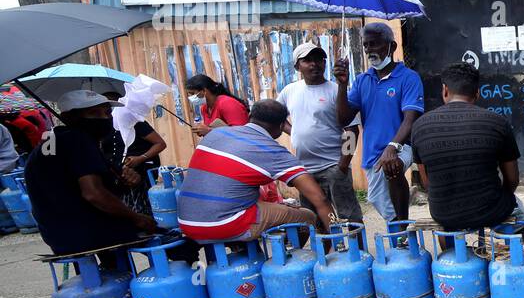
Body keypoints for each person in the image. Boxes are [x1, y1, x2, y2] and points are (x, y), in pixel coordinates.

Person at [176, 100, 335, 242]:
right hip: (224, 223)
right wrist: (337, 236)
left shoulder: (215, 134)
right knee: (307, 217)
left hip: (186, 222)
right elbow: (319, 198)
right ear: (281, 126)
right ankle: (297, 260)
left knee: (277, 207)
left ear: (250, 116)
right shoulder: (274, 153)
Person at [24, 90, 159, 257]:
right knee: (171, 241)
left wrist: (120, 179)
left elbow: (64, 182)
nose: (104, 118)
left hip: (58, 237)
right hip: (88, 233)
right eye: (94, 113)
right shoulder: (78, 139)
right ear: (69, 117)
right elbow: (93, 194)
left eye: (107, 112)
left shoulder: (49, 138)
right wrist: (136, 218)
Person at [410, 62, 524, 231]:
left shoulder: (420, 126)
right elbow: (512, 180)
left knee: (444, 224)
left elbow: (427, 183)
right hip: (491, 210)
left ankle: (451, 254)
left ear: (445, 90)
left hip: (443, 213)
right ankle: (519, 254)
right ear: (477, 93)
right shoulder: (497, 122)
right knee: (523, 216)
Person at [334, 22, 424, 230]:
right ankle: (399, 229)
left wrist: (392, 147)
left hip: (401, 146)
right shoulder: (361, 81)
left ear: (391, 47)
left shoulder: (408, 78)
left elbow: (410, 119)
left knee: (393, 167)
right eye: (366, 45)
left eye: (375, 44)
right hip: (372, 152)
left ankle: (401, 229)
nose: (369, 50)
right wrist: (341, 85)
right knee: (377, 199)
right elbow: (344, 119)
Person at [278, 42, 365, 225]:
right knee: (315, 219)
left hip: (333, 166)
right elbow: (276, 118)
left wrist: (342, 166)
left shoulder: (337, 91)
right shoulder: (289, 91)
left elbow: (351, 130)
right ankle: (326, 254)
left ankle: (358, 251)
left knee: (349, 217)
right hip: (305, 171)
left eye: (319, 59)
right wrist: (293, 130)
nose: (314, 64)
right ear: (297, 66)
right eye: (307, 60)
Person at [100, 90, 167, 216]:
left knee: (141, 206)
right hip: (118, 172)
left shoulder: (134, 121)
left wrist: (140, 158)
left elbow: (160, 144)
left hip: (140, 169)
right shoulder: (104, 125)